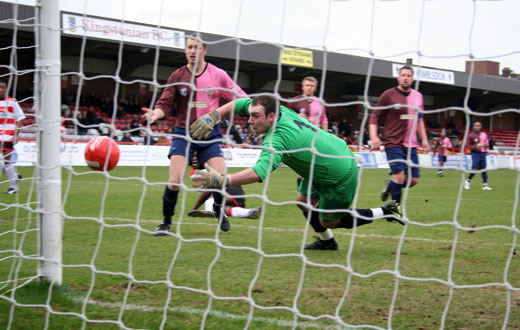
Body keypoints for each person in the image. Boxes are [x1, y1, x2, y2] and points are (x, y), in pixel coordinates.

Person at [189, 95, 403, 250]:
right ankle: (327, 242)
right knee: (302, 200)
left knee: (330, 220)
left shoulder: (278, 139)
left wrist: (221, 180)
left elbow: (257, 173)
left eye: (255, 116)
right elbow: (238, 103)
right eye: (250, 115)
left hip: (339, 173)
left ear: (271, 116)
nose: (249, 121)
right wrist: (213, 115)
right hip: (327, 157)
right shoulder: (276, 109)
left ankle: (385, 211)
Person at [142, 33, 247, 236]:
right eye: (189, 47)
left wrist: (254, 106)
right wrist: (156, 113)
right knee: (174, 181)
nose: (192, 51)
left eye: (196, 47)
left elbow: (239, 96)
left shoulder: (218, 75)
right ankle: (165, 223)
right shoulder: (177, 76)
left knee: (219, 179)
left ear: (204, 50)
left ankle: (218, 209)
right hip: (183, 133)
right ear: (185, 50)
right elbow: (164, 103)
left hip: (211, 135)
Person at [369, 65, 430, 204]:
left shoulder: (418, 97)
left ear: (412, 78)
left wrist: (424, 140)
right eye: (403, 75)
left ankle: (391, 185)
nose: (406, 78)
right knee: (399, 177)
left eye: (408, 75)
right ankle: (394, 211)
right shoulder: (388, 95)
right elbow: (375, 116)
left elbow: (419, 119)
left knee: (414, 180)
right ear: (398, 78)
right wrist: (374, 136)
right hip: (393, 142)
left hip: (411, 144)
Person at [0, 81, 25, 194]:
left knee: (6, 160)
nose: (1, 89)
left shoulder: (12, 102)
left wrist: (16, 134)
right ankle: (15, 176)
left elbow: (20, 118)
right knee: (4, 162)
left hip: (7, 134)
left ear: (6, 89)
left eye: (2, 88)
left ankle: (13, 187)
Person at [188, 182, 262, 219]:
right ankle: (248, 212)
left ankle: (210, 211)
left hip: (231, 189)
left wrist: (193, 209)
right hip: (239, 197)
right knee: (222, 210)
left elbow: (204, 194)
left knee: (210, 201)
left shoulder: (210, 180)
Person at [464, 121, 492, 190]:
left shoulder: (484, 135)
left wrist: (486, 145)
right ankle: (468, 181)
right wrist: (476, 146)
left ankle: (485, 185)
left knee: (484, 169)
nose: (477, 127)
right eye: (475, 126)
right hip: (475, 153)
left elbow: (487, 143)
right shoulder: (471, 136)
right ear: (473, 127)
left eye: (478, 126)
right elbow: (468, 145)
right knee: (475, 169)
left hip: (483, 153)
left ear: (480, 127)